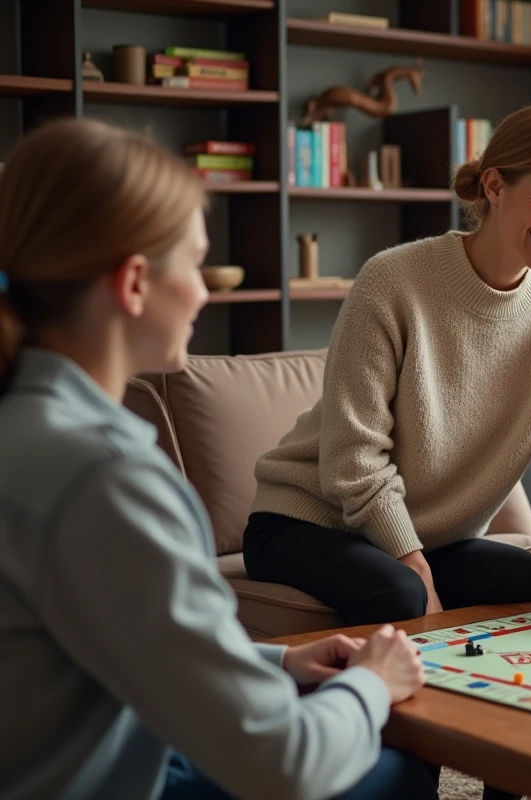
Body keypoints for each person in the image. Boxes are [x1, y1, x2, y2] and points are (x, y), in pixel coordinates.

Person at [0, 119, 436, 800]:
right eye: (196, 266)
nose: (207, 292)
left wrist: (279, 660)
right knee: (392, 767)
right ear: (135, 282)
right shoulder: (106, 478)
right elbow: (282, 764)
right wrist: (371, 684)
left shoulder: (26, 428)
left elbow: (94, 636)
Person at [242, 103, 531, 644]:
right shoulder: (392, 280)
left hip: (429, 537)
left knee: (530, 580)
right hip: (306, 522)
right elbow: (352, 458)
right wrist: (414, 566)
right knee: (400, 593)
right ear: (495, 186)